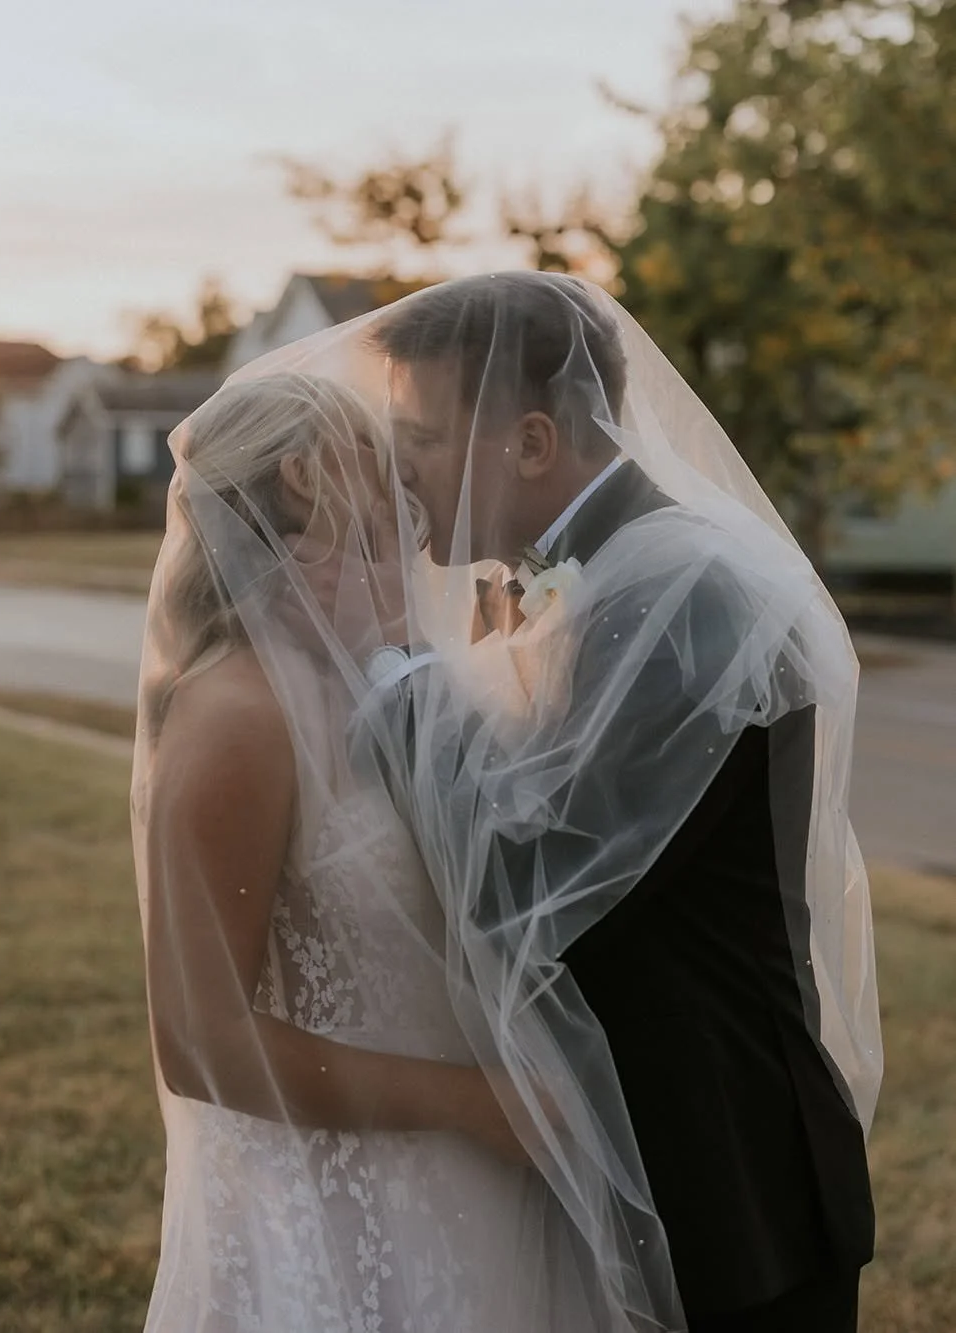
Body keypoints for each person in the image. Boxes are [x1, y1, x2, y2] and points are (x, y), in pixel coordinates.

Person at [288, 272, 881, 1332]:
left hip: (717, 1169)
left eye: (419, 435)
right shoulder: (579, 576)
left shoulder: (684, 594)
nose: (397, 466)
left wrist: (384, 662)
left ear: (526, 443)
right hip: (620, 1147)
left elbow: (532, 878)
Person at [131, 370, 596, 1332]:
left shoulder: (368, 677)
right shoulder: (237, 715)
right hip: (340, 1205)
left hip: (466, 1182)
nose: (411, 522)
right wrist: (474, 1104)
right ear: (295, 514)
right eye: (377, 517)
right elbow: (196, 1039)